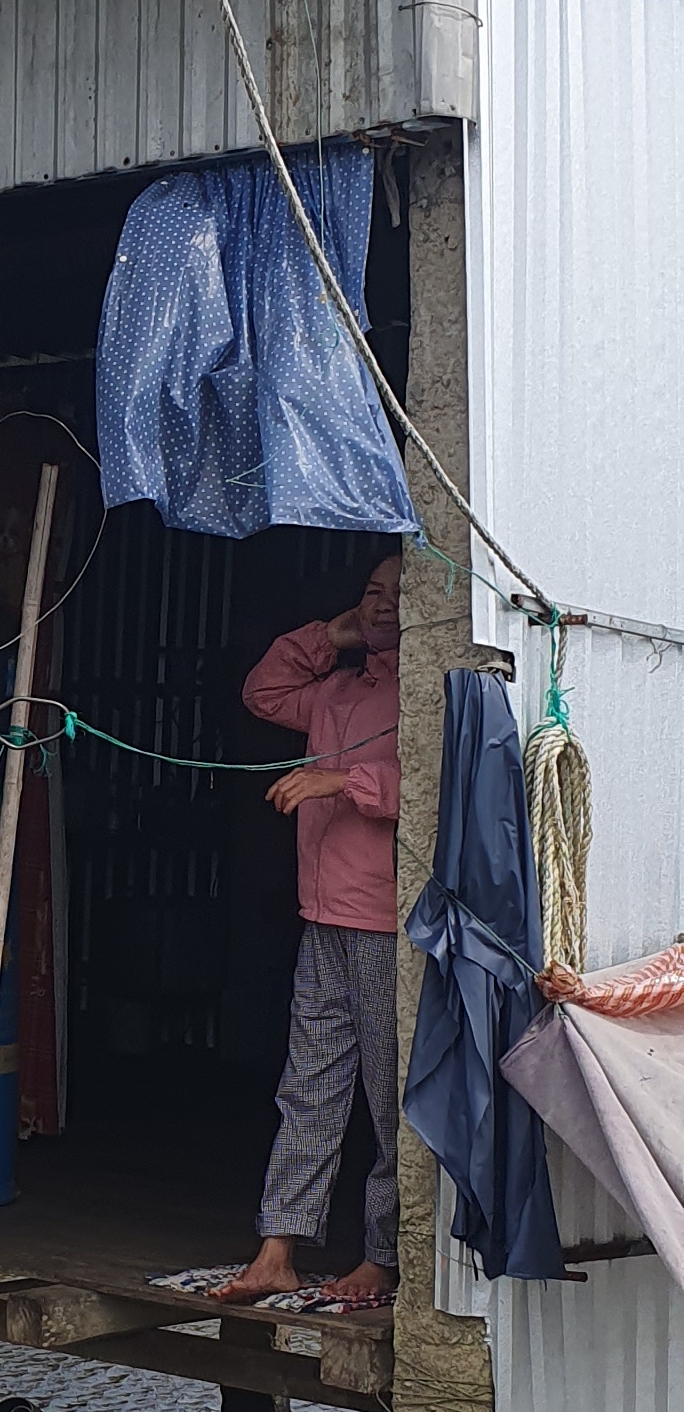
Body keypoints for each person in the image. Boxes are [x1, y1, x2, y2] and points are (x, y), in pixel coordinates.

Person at [216, 553, 403, 1312]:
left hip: (388, 924)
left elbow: (435, 782)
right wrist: (333, 632)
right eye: (373, 593)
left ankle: (383, 1255)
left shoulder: (425, 694)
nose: (384, 605)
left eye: (399, 595)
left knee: (392, 1097)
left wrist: (343, 782)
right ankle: (278, 1249)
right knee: (310, 1086)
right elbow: (262, 692)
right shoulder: (334, 691)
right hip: (321, 917)